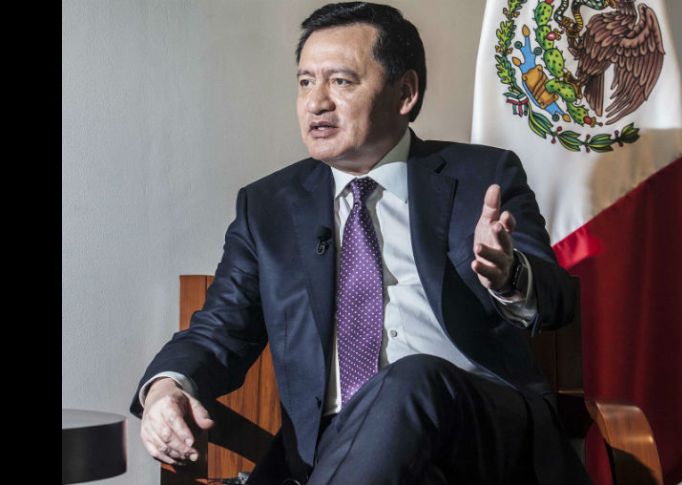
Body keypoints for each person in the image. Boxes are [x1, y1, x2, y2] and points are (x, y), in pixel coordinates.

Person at [130, 3, 594, 484]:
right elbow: (220, 329)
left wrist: (510, 275)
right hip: (340, 448)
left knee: (412, 377)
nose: (316, 102)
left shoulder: (482, 177)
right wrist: (165, 388)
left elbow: (557, 301)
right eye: (305, 82)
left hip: (476, 430)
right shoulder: (268, 207)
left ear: (405, 93)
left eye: (341, 81)